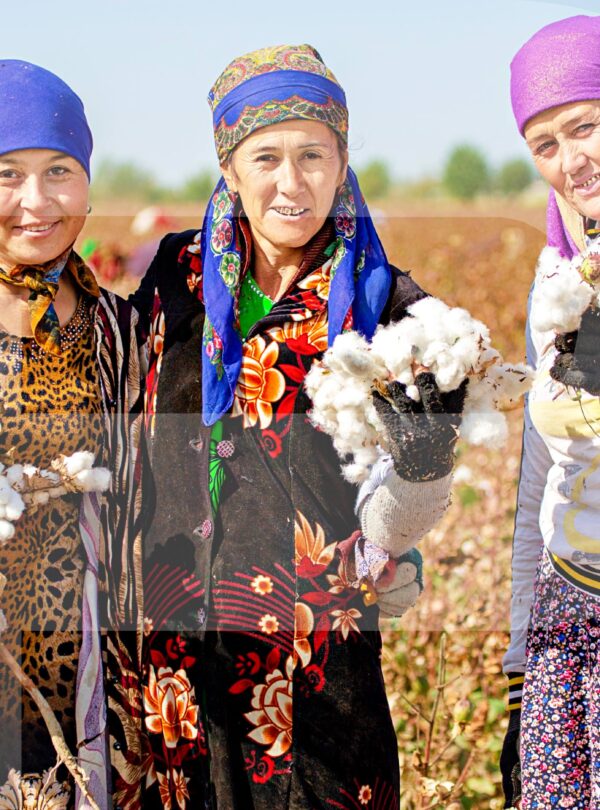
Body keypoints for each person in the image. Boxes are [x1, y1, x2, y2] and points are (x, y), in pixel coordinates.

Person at [133, 44, 465, 809]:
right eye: (266, 157)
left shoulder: (397, 316)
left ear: (343, 161)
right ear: (229, 168)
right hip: (178, 683)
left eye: (314, 155)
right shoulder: (173, 281)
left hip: (319, 685)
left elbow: (404, 519)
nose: (292, 182)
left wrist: (419, 472)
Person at [0, 61, 144, 810]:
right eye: (7, 173)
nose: (35, 201)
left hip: (80, 675)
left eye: (59, 171)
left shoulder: (118, 327)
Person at [501, 15, 600, 810]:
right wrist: (518, 647)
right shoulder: (558, 276)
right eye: (546, 144)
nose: (572, 160)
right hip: (572, 612)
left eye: (587, 126)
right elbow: (541, 472)